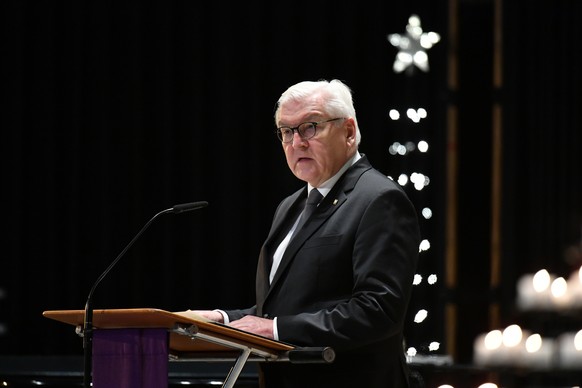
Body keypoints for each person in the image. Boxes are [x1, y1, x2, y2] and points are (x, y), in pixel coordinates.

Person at [178, 79, 420, 387]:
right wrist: (223, 320)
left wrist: (276, 330)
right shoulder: (291, 205)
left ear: (348, 131)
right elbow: (291, 307)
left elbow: (378, 310)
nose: (296, 143)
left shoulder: (379, 199)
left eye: (310, 127)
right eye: (286, 131)